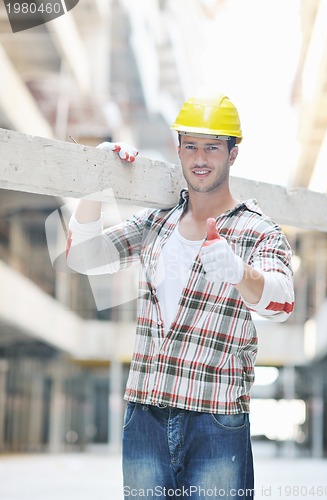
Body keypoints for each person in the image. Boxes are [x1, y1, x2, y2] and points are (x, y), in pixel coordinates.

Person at [66, 93, 294, 499]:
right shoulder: (157, 222)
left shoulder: (258, 231)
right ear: (179, 150)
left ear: (232, 153)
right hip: (145, 415)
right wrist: (97, 181)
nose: (200, 157)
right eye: (191, 146)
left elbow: (281, 302)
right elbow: (85, 256)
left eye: (212, 147)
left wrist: (239, 272)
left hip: (215, 418)